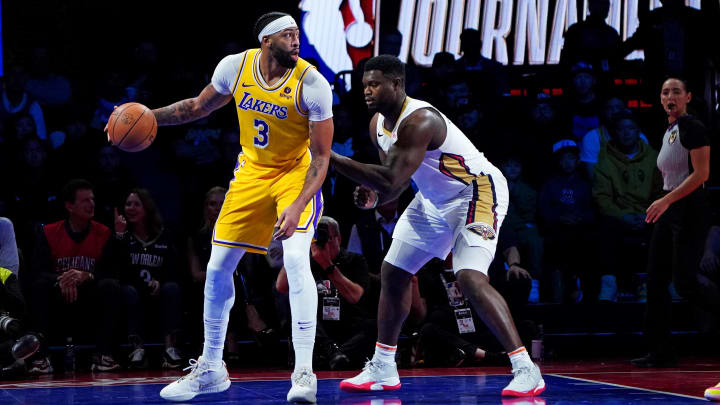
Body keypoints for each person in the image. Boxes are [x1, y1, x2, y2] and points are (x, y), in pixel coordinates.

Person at [108, 12, 334, 403]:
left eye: (298, 35)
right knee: (216, 267)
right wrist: (147, 118)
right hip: (252, 172)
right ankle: (212, 368)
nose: (296, 42)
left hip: (295, 174)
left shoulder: (312, 83)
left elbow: (321, 156)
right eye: (288, 35)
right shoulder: (236, 67)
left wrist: (299, 205)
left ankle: (303, 374)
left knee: (296, 260)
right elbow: (197, 107)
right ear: (266, 41)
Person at [330, 55, 544, 397]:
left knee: (469, 276)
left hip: (476, 191)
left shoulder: (421, 119)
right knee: (394, 271)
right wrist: (373, 195)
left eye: (374, 84)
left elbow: (391, 177)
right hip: (433, 199)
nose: (366, 91)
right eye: (364, 85)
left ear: (397, 84)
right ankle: (384, 366)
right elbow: (396, 183)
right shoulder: (376, 125)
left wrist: (330, 158)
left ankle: (525, 368)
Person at [632, 78, 717, 368]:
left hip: (690, 208)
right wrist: (664, 201)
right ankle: (660, 351)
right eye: (665, 91)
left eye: (676, 92)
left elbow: (702, 174)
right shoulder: (670, 130)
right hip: (670, 207)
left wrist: (667, 201)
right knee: (655, 280)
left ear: (688, 97)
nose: (670, 96)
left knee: (685, 283)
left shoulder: (694, 127)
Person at [26, 179, 111, 374]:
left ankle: (103, 356)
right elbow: (37, 271)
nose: (92, 204)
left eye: (93, 199)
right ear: (69, 206)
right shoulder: (49, 232)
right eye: (85, 200)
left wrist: (85, 275)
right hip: (58, 294)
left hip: (90, 294)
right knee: (39, 285)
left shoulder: (103, 232)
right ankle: (42, 358)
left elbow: (111, 272)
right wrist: (63, 279)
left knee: (110, 286)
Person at [95, 189, 183, 370]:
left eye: (136, 204)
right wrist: (119, 235)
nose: (131, 208)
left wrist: (160, 280)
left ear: (147, 208)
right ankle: (137, 349)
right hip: (132, 293)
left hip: (159, 292)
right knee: (128, 291)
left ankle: (170, 348)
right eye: (128, 204)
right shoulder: (122, 237)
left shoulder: (164, 235)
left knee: (172, 288)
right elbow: (113, 269)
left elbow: (174, 268)